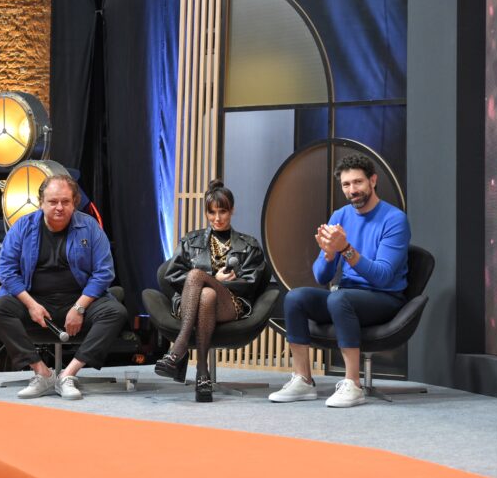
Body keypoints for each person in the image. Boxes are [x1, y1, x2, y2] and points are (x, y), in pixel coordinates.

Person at [269, 154, 410, 408]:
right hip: (346, 297)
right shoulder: (340, 216)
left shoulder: (394, 219)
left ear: (373, 180)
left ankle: (353, 384)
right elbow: (321, 276)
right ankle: (303, 379)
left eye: (358, 182)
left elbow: (382, 276)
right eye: (346, 184)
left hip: (384, 298)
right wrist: (329, 254)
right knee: (296, 298)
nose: (352, 190)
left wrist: (345, 249)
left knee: (339, 298)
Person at [0, 174, 127, 400]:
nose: (59, 207)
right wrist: (31, 305)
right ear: (41, 202)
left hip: (78, 300)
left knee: (115, 312)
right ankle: (42, 373)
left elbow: (104, 272)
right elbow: (6, 271)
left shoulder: (89, 227)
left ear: (74, 202)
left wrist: (79, 308)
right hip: (35, 302)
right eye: (53, 202)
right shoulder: (23, 227)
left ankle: (68, 375)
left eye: (65, 201)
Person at [155, 180, 267, 402]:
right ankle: (202, 373)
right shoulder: (190, 241)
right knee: (207, 294)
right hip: (191, 303)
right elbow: (172, 275)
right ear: (206, 213)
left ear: (232, 210)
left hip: (230, 304)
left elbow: (252, 282)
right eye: (212, 212)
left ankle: (179, 348)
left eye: (223, 211)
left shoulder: (248, 245)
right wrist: (213, 280)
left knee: (197, 275)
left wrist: (217, 281)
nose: (217, 218)